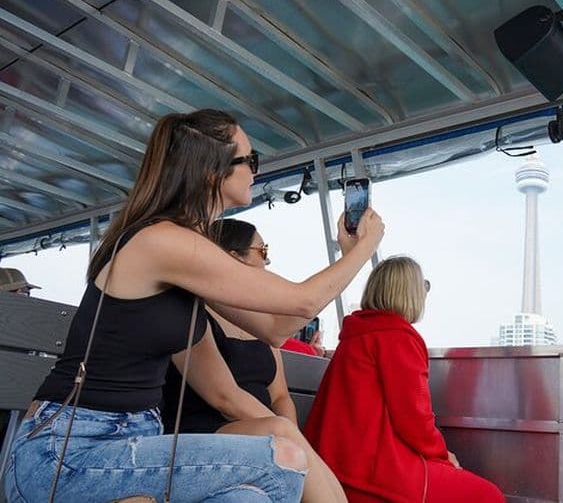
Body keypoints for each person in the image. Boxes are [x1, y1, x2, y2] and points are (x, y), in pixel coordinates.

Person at [3, 109, 384, 503]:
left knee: (249, 497)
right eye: (250, 160)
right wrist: (364, 250)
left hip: (133, 449)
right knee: (283, 458)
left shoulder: (184, 280)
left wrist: (347, 253)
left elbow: (274, 328)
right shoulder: (161, 241)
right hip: (67, 455)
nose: (256, 170)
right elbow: (304, 303)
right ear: (211, 172)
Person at [161, 218, 346, 502]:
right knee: (282, 433)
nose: (268, 261)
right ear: (234, 259)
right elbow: (224, 398)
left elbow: (281, 395)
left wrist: (290, 437)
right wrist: (284, 433)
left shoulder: (260, 325)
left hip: (264, 431)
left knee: (285, 438)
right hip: (206, 430)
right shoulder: (193, 315)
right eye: (262, 250)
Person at [304, 257, 504, 502]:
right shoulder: (398, 338)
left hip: (332, 467)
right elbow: (413, 419)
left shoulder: (354, 335)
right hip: (372, 474)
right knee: (487, 495)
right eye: (424, 286)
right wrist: (443, 456)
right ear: (409, 292)